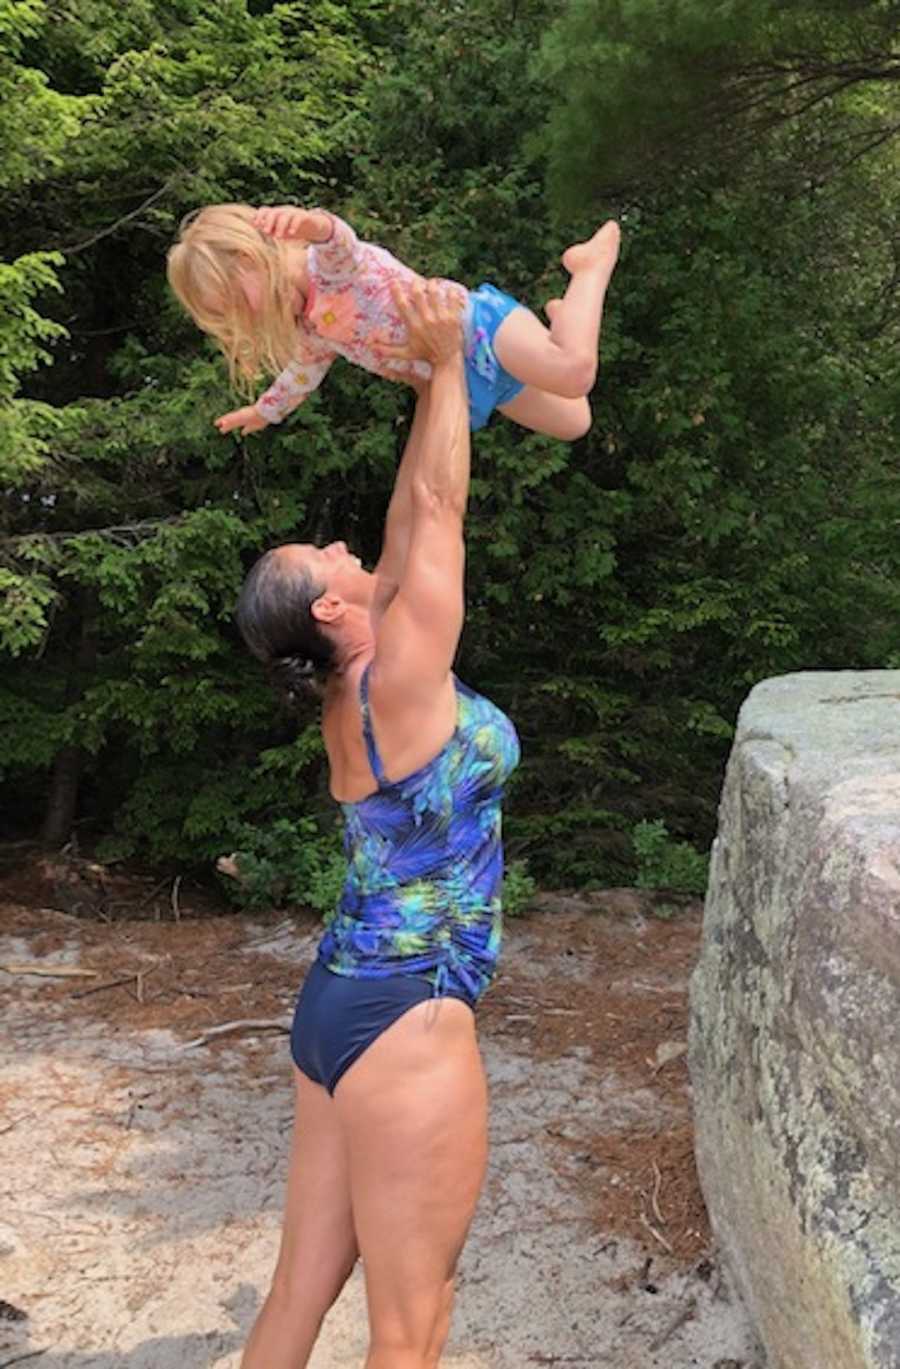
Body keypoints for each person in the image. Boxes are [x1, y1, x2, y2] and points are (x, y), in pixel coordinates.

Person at [232, 280, 520, 1369]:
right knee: (413, 1325)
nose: (348, 543)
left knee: (296, 1300)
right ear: (330, 611)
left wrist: (434, 390)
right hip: (407, 1019)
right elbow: (439, 517)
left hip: (340, 1006)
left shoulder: (354, 693)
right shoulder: (395, 683)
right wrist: (447, 364)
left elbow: (411, 519)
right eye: (329, 554)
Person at [167, 200, 620, 442]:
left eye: (232, 300)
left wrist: (310, 223)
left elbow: (338, 237)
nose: (238, 316)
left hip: (474, 328)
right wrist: (265, 411)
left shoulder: (326, 268)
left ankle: (588, 269)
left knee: (574, 372)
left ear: (249, 259)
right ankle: (561, 323)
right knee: (574, 421)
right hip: (463, 380)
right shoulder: (307, 327)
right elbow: (301, 376)